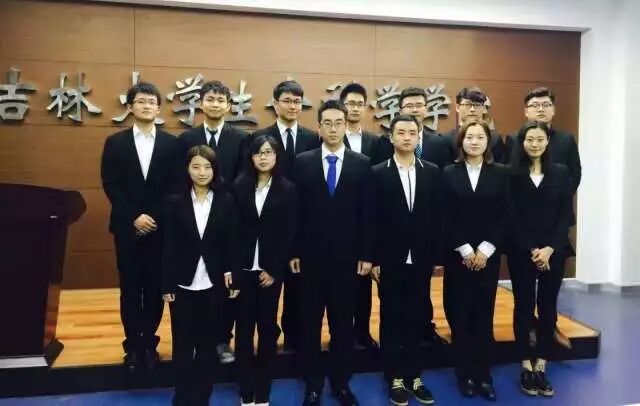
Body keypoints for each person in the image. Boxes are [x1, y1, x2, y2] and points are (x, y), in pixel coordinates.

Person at [291, 100, 374, 406]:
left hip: (348, 260)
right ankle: (312, 384)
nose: (334, 128)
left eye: (339, 122)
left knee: (342, 323)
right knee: (310, 322)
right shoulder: (302, 162)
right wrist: (293, 250)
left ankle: (341, 383)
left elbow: (367, 214)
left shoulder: (361, 163)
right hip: (310, 258)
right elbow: (295, 211)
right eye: (327, 123)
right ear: (319, 127)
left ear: (346, 125)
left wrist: (366, 254)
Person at [100, 82, 177, 373]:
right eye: (141, 101)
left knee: (155, 288)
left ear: (159, 108)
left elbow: (174, 186)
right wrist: (134, 216)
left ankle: (149, 343)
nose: (146, 106)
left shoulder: (171, 144)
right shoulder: (115, 142)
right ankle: (132, 345)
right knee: (130, 288)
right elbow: (111, 184)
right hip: (127, 228)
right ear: (130, 107)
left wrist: (153, 217)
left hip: (159, 228)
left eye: (151, 102)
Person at [176, 80, 249, 364]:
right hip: (194, 217)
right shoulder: (187, 138)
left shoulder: (241, 138)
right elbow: (179, 178)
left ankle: (221, 340)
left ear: (229, 106)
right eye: (210, 99)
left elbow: (244, 177)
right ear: (200, 103)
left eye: (220, 100)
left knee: (224, 284)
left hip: (228, 218)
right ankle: (194, 341)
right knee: (195, 283)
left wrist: (225, 203)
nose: (215, 104)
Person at [371, 114, 441, 406]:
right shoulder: (377, 173)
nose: (407, 137)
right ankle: (394, 377)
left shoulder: (432, 172)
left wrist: (435, 255)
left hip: (421, 258)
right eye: (401, 132)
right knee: (391, 317)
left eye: (413, 132)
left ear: (419, 136)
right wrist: (374, 258)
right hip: (389, 259)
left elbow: (437, 218)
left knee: (416, 316)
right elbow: (371, 220)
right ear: (391, 137)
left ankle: (414, 375)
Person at [162, 145, 238, 406]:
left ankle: (203, 394)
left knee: (208, 344)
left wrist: (232, 273)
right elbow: (168, 245)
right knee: (182, 344)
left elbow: (231, 242)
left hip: (213, 282)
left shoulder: (226, 200)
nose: (202, 172)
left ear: (215, 170)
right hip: (182, 283)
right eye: (196, 166)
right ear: (187, 169)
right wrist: (166, 284)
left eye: (207, 167)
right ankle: (182, 394)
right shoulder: (174, 202)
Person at [441, 120, 510, 401]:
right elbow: (445, 215)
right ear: (461, 141)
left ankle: (484, 376)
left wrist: (485, 249)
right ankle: (464, 374)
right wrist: (465, 250)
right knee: (460, 316)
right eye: (469, 137)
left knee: (483, 316)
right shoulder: (448, 173)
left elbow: (505, 214)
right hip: (458, 256)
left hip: (487, 257)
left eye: (480, 137)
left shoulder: (501, 173)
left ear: (488, 142)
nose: (474, 141)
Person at [252, 80, 320, 352]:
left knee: (298, 287)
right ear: (275, 103)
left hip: (303, 223)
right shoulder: (260, 137)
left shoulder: (312, 138)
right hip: (269, 225)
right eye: (287, 100)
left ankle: (294, 336)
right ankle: (268, 340)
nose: (293, 106)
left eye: (297, 101)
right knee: (267, 289)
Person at [507, 121, 572, 398]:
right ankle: (525, 364)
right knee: (523, 305)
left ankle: (542, 364)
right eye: (529, 139)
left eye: (540, 139)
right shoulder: (511, 174)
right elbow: (511, 216)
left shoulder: (561, 172)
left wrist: (549, 249)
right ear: (522, 143)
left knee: (547, 307)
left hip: (553, 252)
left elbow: (565, 216)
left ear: (547, 142)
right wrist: (532, 249)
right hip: (521, 251)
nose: (534, 144)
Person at [232, 134, 297, 406]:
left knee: (268, 327)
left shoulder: (288, 189)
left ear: (276, 156)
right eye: (259, 152)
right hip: (244, 269)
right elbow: (232, 231)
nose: (263, 157)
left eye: (269, 152)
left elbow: (289, 232)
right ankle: (245, 384)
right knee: (244, 328)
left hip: (270, 271)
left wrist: (274, 269)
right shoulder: (239, 186)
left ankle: (264, 384)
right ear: (251, 157)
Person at [339, 82, 382, 351]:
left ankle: (363, 332)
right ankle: (342, 333)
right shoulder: (329, 138)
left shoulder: (376, 142)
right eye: (350, 103)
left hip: (365, 220)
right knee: (339, 287)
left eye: (359, 104)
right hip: (338, 220)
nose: (354, 109)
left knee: (363, 285)